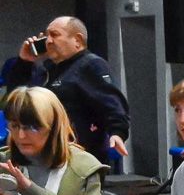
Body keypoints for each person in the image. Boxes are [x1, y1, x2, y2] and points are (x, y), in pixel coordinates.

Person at [8, 16, 129, 165]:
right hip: (45, 152)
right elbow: (17, 102)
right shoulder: (47, 68)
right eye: (47, 36)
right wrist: (24, 62)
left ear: (77, 40)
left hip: (78, 153)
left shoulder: (91, 65)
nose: (48, 41)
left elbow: (112, 103)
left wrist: (118, 132)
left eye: (55, 35)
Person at [0, 86, 103, 195]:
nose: (21, 136)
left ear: (54, 128)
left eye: (33, 127)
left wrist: (31, 190)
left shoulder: (83, 168)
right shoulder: (3, 162)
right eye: (15, 126)